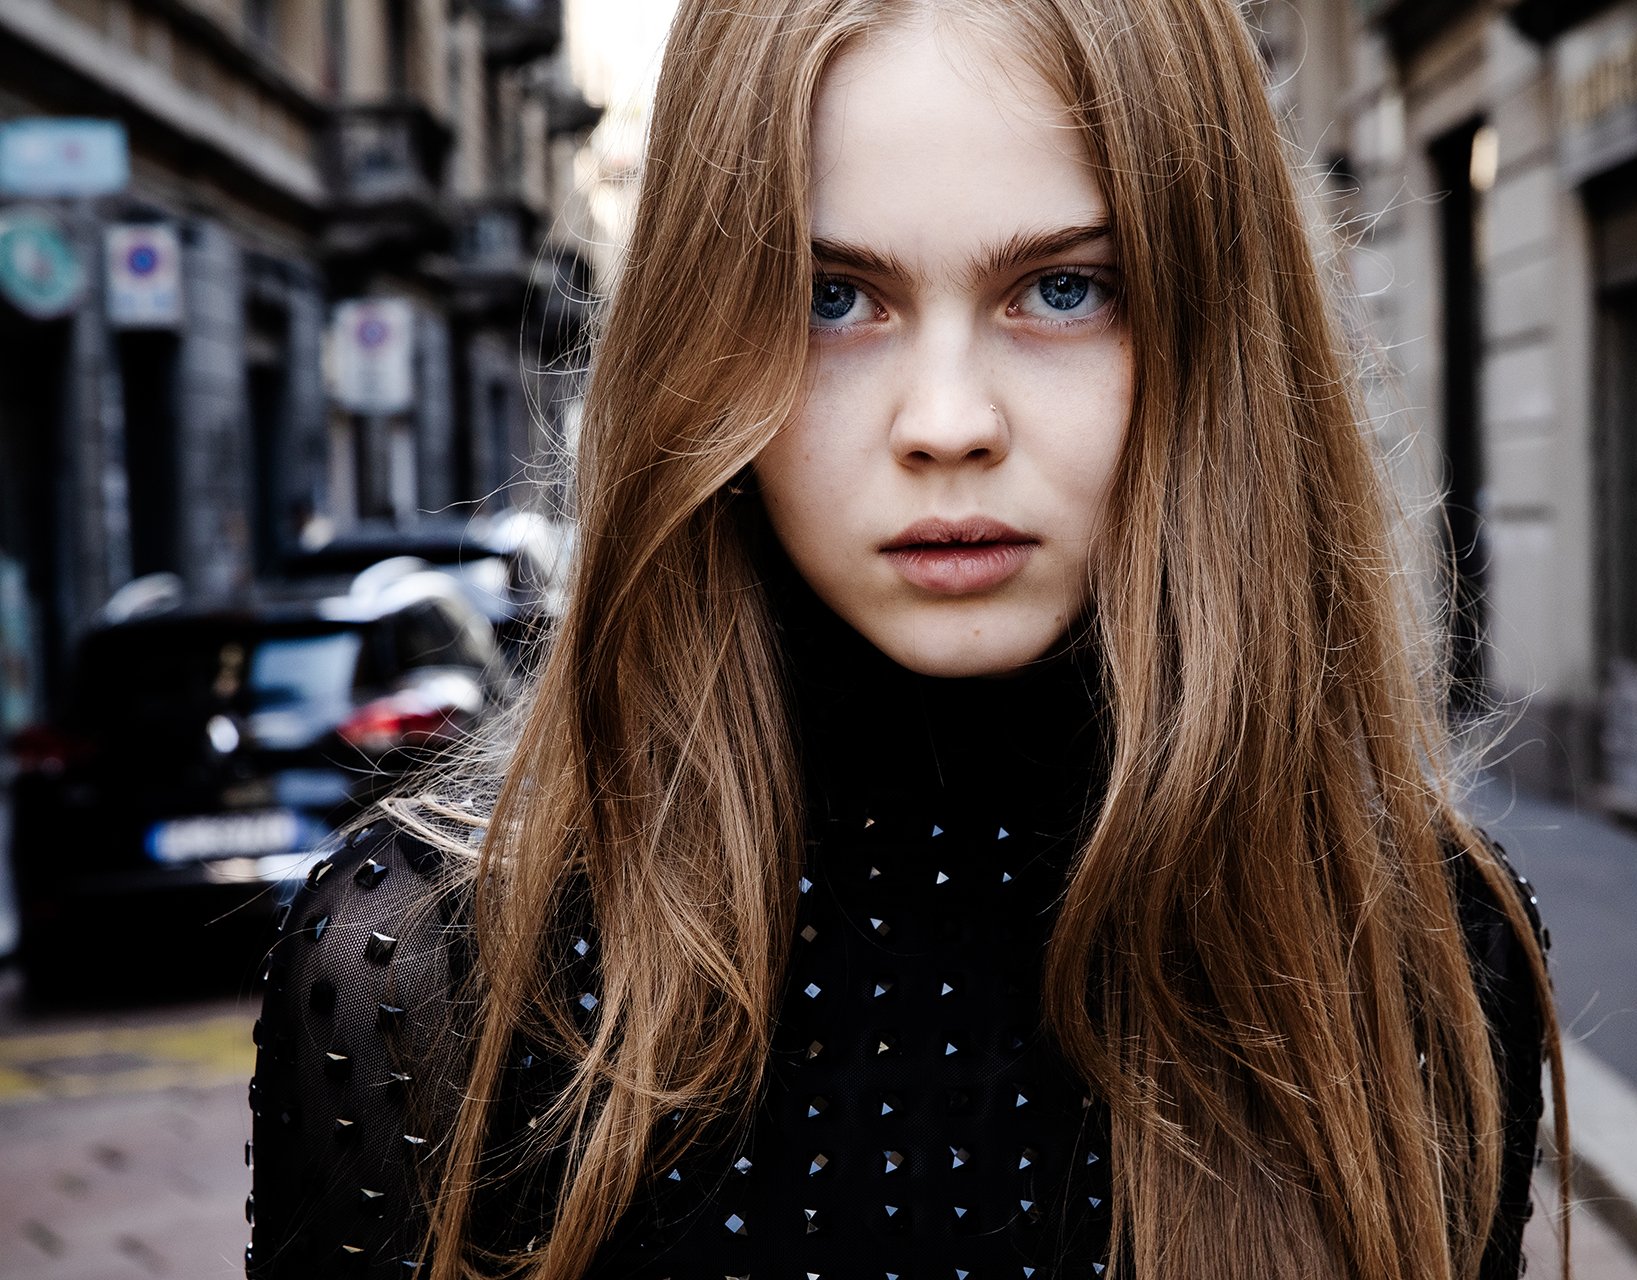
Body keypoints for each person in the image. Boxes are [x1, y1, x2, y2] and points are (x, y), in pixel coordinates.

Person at [245, 1, 1564, 1277]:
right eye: (832, 299)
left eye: (1063, 289)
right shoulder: (432, 970)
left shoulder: (1424, 946)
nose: (945, 423)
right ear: (704, 343)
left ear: (1210, 335)